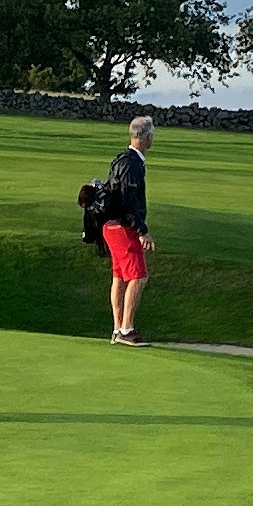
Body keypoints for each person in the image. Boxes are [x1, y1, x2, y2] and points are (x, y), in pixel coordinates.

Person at [95, 114, 153, 345]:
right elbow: (130, 200)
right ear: (146, 137)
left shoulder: (122, 159)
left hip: (111, 227)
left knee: (120, 276)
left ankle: (118, 328)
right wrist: (142, 230)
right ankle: (126, 330)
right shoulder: (132, 164)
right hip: (122, 228)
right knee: (138, 276)